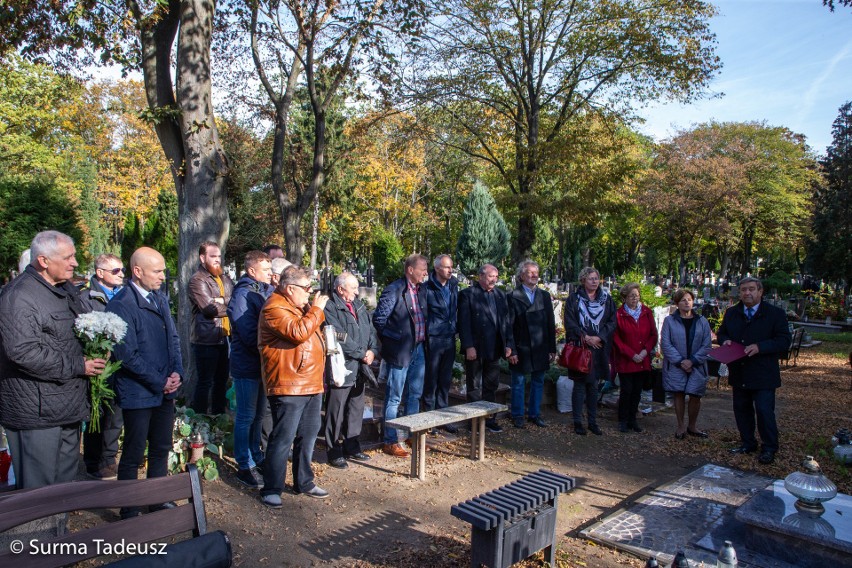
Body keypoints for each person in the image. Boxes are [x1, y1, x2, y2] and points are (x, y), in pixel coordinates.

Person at [0, 231, 107, 489]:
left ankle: (60, 531)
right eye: (68, 257)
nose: (75, 263)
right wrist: (79, 365)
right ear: (43, 261)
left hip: (67, 407)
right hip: (36, 413)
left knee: (63, 489)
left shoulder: (65, 289)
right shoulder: (19, 296)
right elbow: (22, 351)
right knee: (38, 495)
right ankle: (39, 532)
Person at [107, 247, 183, 517]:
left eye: (163, 270)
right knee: (134, 451)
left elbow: (173, 339)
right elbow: (126, 355)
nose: (163, 276)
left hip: (165, 388)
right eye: (158, 271)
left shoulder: (160, 298)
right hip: (138, 391)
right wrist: (159, 380)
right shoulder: (121, 304)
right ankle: (129, 507)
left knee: (161, 446)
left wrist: (177, 373)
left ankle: (157, 498)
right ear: (137, 272)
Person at [258, 265, 329, 507]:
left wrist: (312, 309)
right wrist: (316, 310)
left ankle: (304, 481)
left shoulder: (300, 307)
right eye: (306, 288)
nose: (310, 293)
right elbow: (298, 332)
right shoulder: (274, 308)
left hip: (311, 382)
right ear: (290, 289)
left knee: (307, 436)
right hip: (289, 384)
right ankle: (272, 487)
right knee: (282, 438)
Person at [717, 277, 791, 465]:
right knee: (742, 409)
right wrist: (724, 340)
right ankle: (747, 442)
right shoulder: (732, 313)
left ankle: (769, 447)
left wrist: (761, 346)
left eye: (751, 289)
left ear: (760, 291)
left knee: (764, 410)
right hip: (739, 370)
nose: (747, 293)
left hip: (763, 372)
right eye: (743, 290)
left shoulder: (775, 314)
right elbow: (722, 332)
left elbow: (783, 340)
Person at [373, 254, 429, 457]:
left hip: (418, 349)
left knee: (414, 394)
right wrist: (393, 341)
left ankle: (409, 435)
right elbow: (379, 320)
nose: (426, 273)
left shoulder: (421, 290)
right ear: (410, 270)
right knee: (394, 397)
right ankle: (390, 440)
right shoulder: (394, 289)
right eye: (423, 269)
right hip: (400, 351)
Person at [227, 250, 273, 488]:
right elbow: (246, 331)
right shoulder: (243, 293)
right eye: (266, 270)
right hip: (247, 364)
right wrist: (269, 348)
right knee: (245, 416)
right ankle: (243, 464)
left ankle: (256, 454)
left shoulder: (264, 291)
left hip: (262, 363)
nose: (270, 273)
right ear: (252, 271)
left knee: (258, 415)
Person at [323, 272, 377, 469]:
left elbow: (370, 329)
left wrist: (372, 350)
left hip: (360, 366)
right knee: (335, 410)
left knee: (356, 407)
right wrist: (361, 353)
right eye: (353, 288)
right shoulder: (331, 307)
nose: (356, 292)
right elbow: (338, 336)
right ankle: (333, 449)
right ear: (340, 289)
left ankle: (352, 445)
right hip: (342, 367)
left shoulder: (359, 305)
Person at [80, 253, 126, 480]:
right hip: (98, 364)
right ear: (100, 273)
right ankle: (92, 460)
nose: (121, 275)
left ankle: (109, 458)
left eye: (122, 270)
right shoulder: (87, 298)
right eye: (116, 271)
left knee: (115, 414)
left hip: (119, 364)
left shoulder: (124, 294)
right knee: (96, 412)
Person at [458, 264, 515, 433]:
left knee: (491, 385)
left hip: (495, 348)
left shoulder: (500, 295)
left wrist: (509, 344)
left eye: (496, 277)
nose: (494, 280)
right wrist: (468, 346)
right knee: (474, 386)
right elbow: (464, 322)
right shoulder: (468, 294)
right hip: (476, 347)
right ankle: (473, 422)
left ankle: (489, 420)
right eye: (491, 276)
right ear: (481, 277)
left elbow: (506, 322)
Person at [564, 267, 616, 436]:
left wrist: (599, 337)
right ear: (583, 281)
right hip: (582, 347)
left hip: (599, 348)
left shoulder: (607, 299)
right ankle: (578, 421)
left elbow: (612, 321)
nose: (594, 281)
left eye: (596, 278)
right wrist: (584, 337)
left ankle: (593, 421)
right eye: (590, 278)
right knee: (579, 386)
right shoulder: (574, 299)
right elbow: (570, 321)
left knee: (594, 386)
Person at [507, 260, 556, 429]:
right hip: (521, 346)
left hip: (540, 345)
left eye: (536, 272)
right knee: (518, 382)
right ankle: (518, 414)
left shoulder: (544, 296)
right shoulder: (513, 296)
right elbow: (509, 326)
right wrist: (511, 349)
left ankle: (534, 413)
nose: (535, 275)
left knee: (538, 381)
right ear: (522, 276)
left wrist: (552, 348)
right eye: (530, 272)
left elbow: (550, 323)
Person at [660, 288, 712, 440]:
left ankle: (693, 425)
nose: (687, 302)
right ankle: (681, 425)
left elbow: (706, 344)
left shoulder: (701, 321)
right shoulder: (670, 321)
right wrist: (680, 361)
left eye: (689, 299)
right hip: (677, 365)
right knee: (679, 393)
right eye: (683, 300)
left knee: (696, 395)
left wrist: (693, 361)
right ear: (677, 303)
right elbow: (666, 343)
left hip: (697, 364)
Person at [188, 241, 234, 415]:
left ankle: (218, 417)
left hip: (225, 337)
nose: (217, 260)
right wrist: (224, 303)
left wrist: (221, 301)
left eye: (219, 256)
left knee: (221, 381)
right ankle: (199, 419)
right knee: (205, 382)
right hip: (206, 339)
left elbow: (235, 299)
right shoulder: (197, 280)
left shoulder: (224, 278)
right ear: (202, 258)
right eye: (212, 256)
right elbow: (208, 309)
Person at [612, 283, 658, 433]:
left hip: (642, 359)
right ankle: (623, 419)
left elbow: (653, 334)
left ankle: (633, 418)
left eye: (637, 295)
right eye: (631, 296)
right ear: (624, 297)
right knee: (627, 390)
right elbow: (616, 338)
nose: (634, 298)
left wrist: (645, 352)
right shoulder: (619, 314)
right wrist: (631, 354)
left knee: (637, 390)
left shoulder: (647, 312)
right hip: (626, 360)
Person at [423, 254, 459, 432]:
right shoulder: (427, 287)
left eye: (451, 267)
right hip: (434, 338)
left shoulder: (453, 285)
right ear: (437, 268)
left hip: (449, 337)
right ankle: (429, 418)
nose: (450, 270)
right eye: (447, 267)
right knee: (431, 379)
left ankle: (443, 416)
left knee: (445, 380)